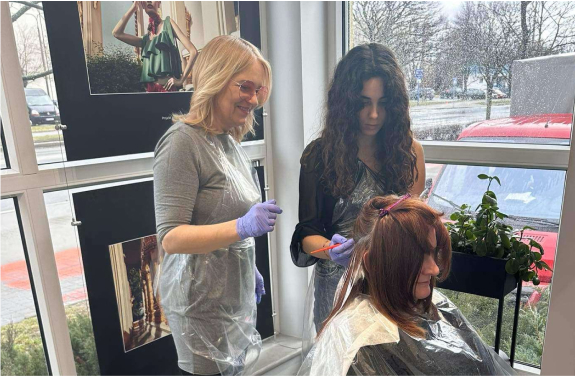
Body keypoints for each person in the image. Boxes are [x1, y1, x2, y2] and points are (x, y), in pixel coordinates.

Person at [153, 35, 280, 376]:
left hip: (228, 296)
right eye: (245, 87)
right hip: (200, 305)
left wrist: (244, 263)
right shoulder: (182, 143)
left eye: (259, 90)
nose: (253, 99)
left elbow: (220, 213)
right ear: (216, 79)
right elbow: (171, 238)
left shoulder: (227, 141)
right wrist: (241, 228)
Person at [290, 43, 426, 332]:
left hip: (392, 282)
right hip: (338, 286)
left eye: (383, 103)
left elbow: (414, 227)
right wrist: (332, 249)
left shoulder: (410, 154)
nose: (374, 115)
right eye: (363, 103)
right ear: (345, 103)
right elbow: (306, 234)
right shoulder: (320, 156)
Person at [297, 195, 516, 376]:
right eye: (417, 259)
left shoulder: (438, 307)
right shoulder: (363, 347)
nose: (434, 270)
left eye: (433, 253)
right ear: (371, 262)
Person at [113, 1, 198, 92]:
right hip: (150, 91)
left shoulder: (168, 24)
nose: (149, 1)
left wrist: (181, 80)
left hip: (167, 90)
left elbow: (193, 51)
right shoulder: (145, 39)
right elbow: (116, 33)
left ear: (159, 3)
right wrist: (133, 8)